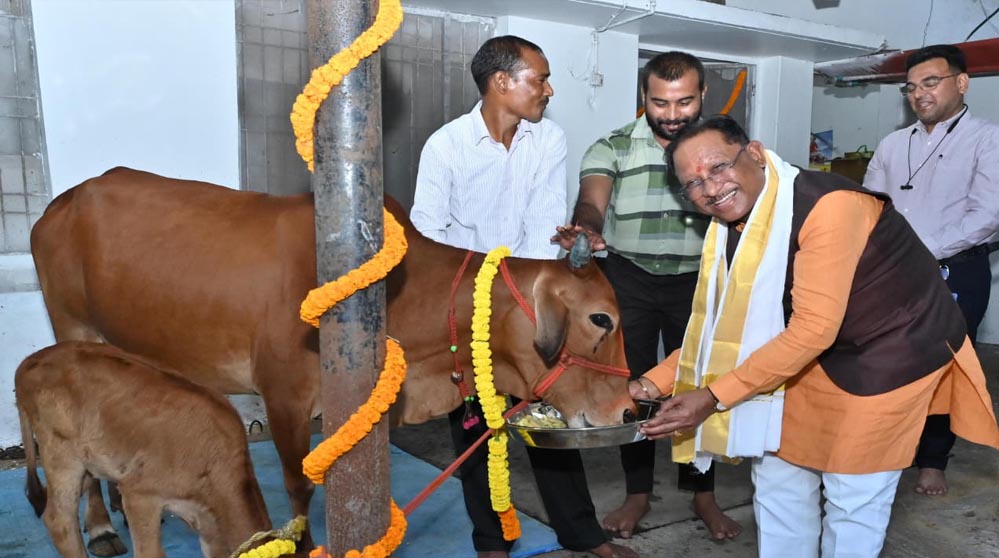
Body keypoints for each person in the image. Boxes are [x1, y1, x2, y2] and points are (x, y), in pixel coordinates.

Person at [634, 114, 999, 558]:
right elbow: (721, 327)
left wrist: (713, 396)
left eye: (718, 167)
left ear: (754, 154)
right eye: (693, 183)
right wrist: (648, 385)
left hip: (888, 353)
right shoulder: (733, 226)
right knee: (778, 479)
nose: (710, 189)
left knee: (853, 494)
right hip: (804, 355)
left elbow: (813, 329)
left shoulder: (830, 206)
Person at [411, 35, 636, 558]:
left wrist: (534, 299)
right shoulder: (445, 146)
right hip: (468, 311)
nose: (549, 90)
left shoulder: (548, 139)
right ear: (501, 82)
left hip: (527, 306)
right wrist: (480, 300)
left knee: (549, 422)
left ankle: (583, 534)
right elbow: (429, 238)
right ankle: (491, 541)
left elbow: (541, 225)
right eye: (541, 78)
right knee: (474, 431)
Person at [551, 51, 740, 540]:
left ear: (703, 96)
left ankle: (702, 493)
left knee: (698, 384)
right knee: (631, 387)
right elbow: (592, 200)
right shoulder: (612, 147)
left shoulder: (720, 150)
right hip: (628, 277)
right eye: (660, 103)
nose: (672, 114)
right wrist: (587, 228)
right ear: (644, 96)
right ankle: (638, 494)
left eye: (685, 102)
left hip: (698, 280)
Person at [863, 43, 999, 497]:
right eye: (910, 87)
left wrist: (922, 250)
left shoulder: (987, 139)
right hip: (892, 271)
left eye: (931, 82)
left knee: (945, 364)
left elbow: (988, 215)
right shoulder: (893, 143)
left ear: (961, 83)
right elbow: (870, 206)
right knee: (887, 360)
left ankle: (933, 459)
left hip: (957, 271)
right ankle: (889, 445)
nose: (919, 93)